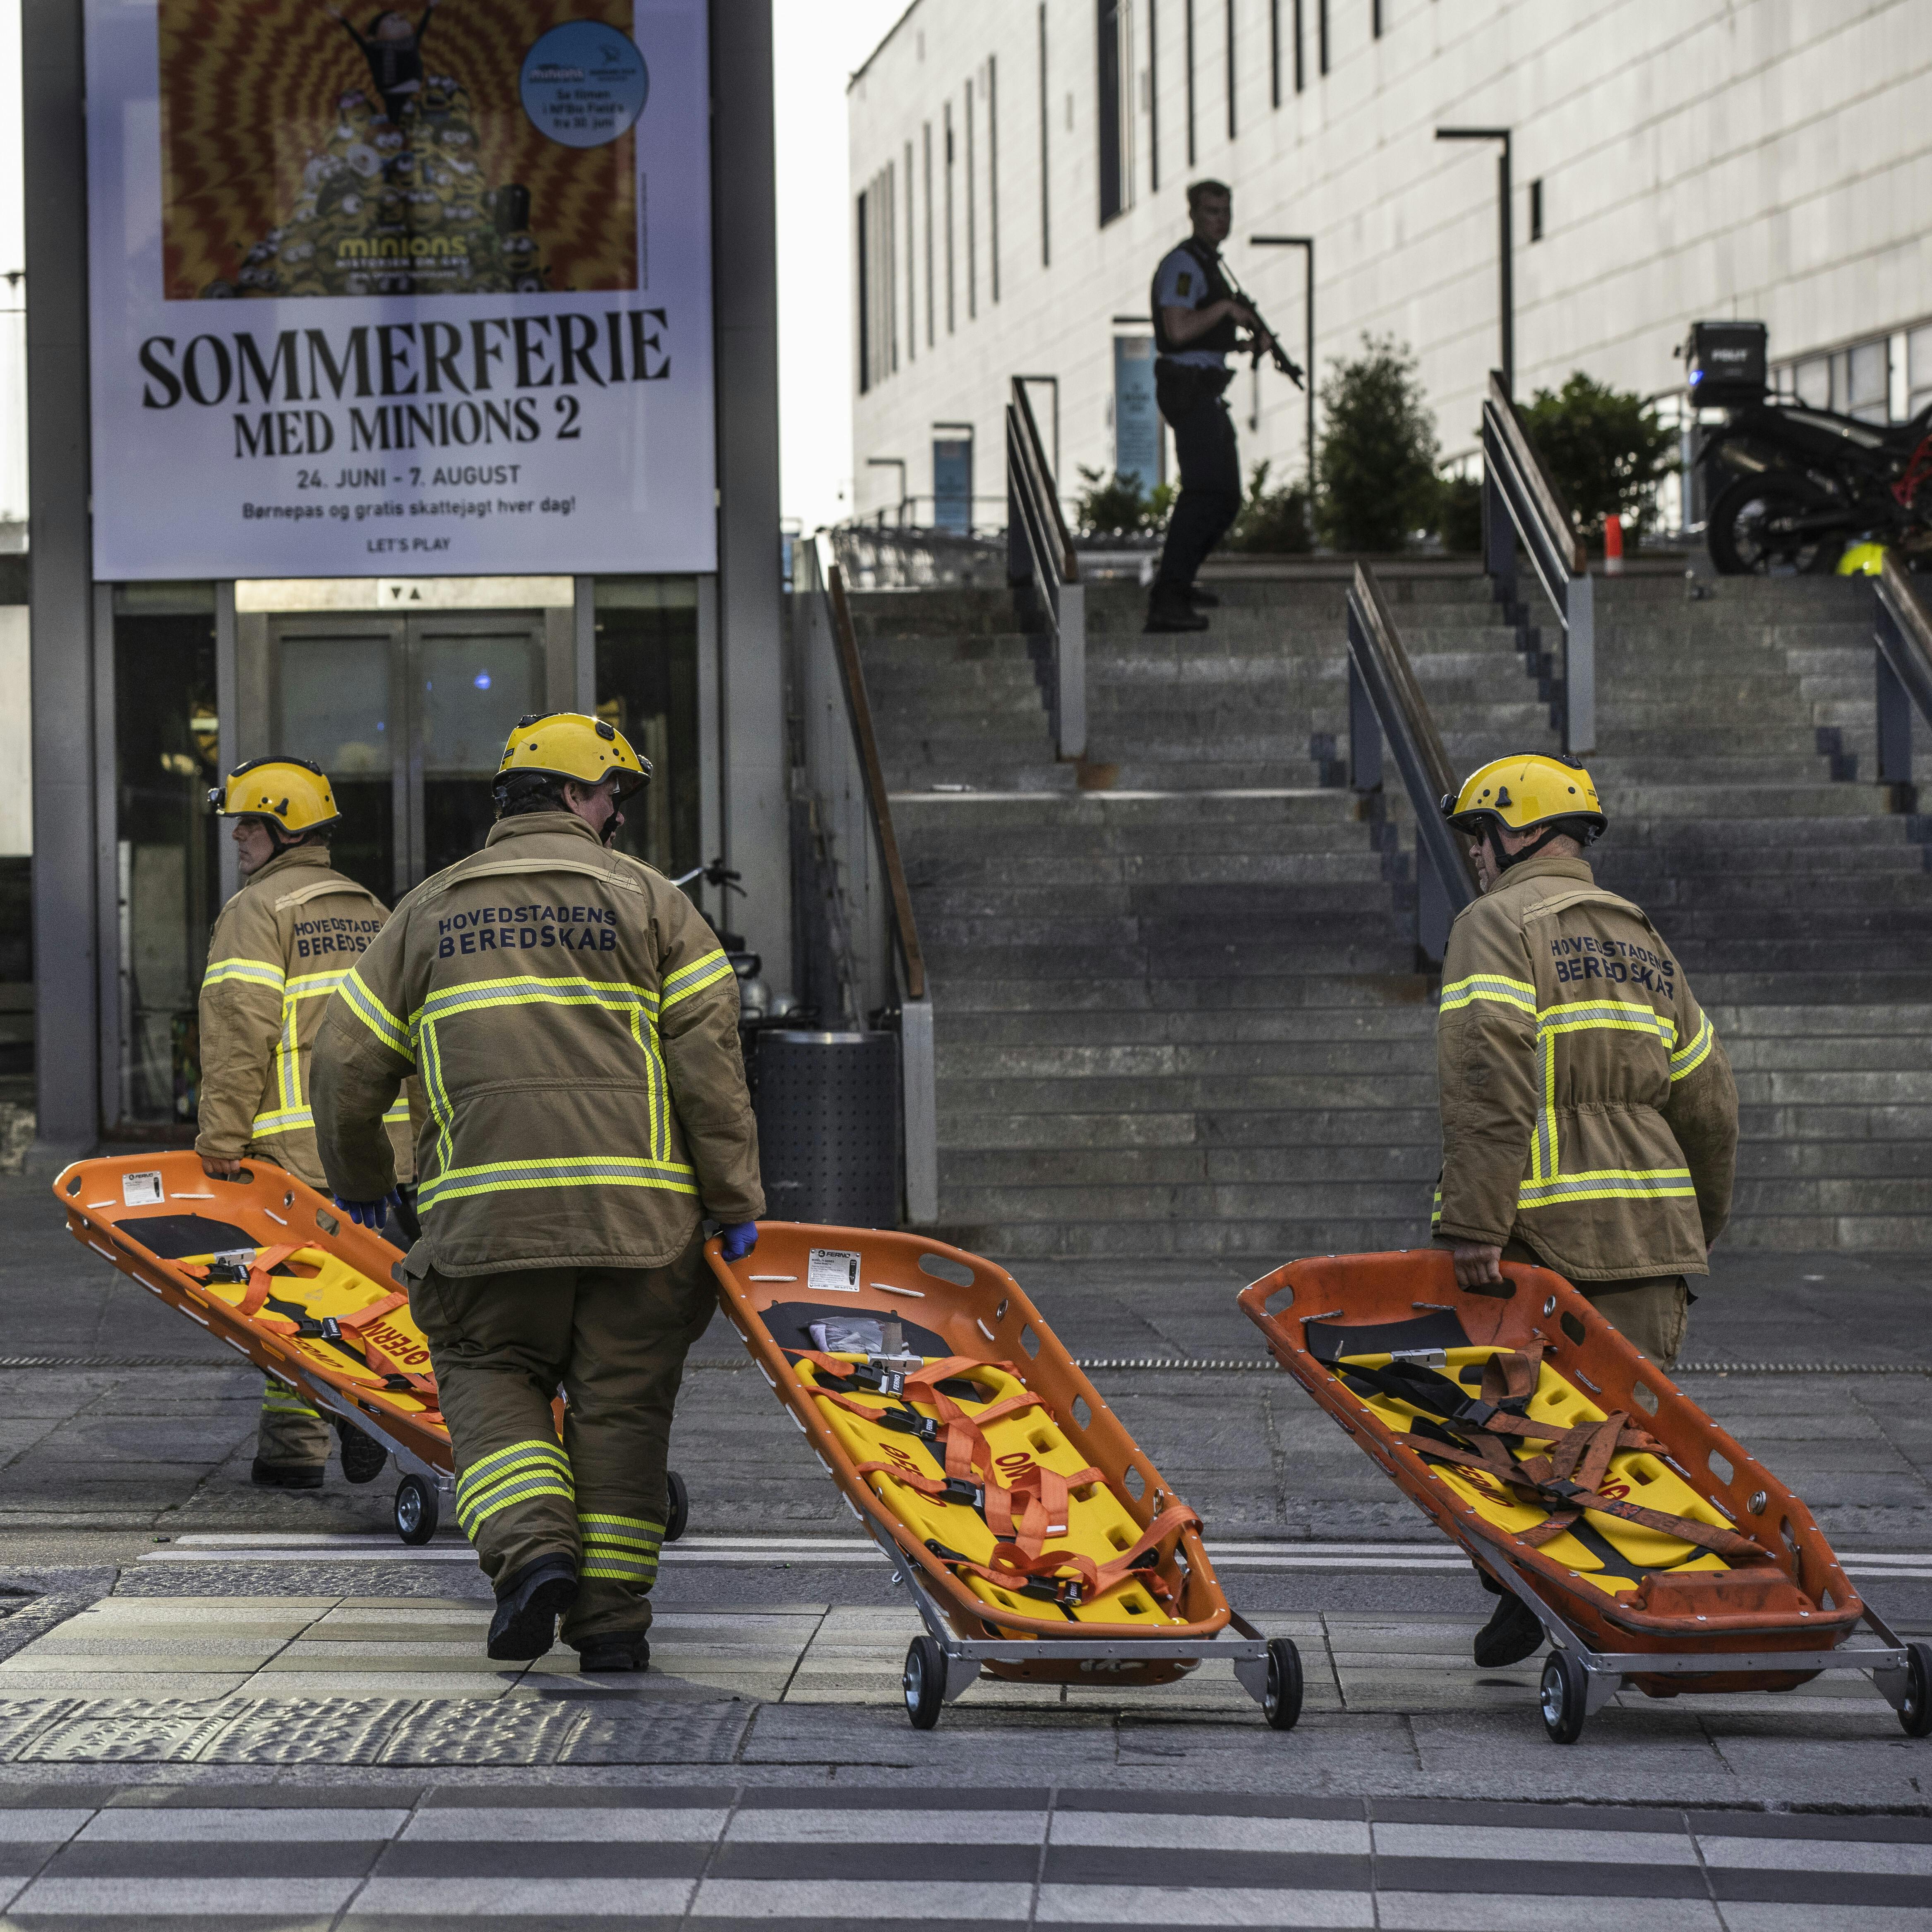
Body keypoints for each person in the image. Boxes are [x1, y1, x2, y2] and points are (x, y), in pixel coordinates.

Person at [310, 713, 764, 1673]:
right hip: (642, 1230)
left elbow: (343, 1064)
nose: (618, 816)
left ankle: (532, 1555)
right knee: (623, 1414)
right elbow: (712, 1070)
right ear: (571, 793)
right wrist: (734, 1202)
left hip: (486, 1230)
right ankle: (612, 1627)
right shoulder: (655, 906)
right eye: (611, 795)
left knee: (487, 1378)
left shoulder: (425, 913)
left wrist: (364, 1182)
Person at [1431, 753, 1739, 1667]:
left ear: (1519, 830)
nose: (1474, 855)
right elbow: (1709, 1101)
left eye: (1479, 835)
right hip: (1651, 1240)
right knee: (1623, 1443)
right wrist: (1694, 1223)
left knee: (1500, 1432)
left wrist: (1476, 1221)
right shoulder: (1640, 937)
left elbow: (1487, 1074)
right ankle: (1622, 1606)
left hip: (1537, 1241)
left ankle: (1528, 1587)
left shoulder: (1494, 925)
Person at [198, 757, 415, 1490]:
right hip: (375, 1152)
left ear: (286, 829)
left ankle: (330, 1417)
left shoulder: (256, 911)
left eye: (249, 823)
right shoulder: (373, 910)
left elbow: (239, 1033)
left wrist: (221, 1137)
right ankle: (293, 1448)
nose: (237, 836)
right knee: (345, 1293)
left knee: (282, 1297)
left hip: (293, 1151)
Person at [1146, 179, 1280, 634]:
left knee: (1225, 498)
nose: (1220, 220)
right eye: (1211, 211)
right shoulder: (1184, 265)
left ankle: (1179, 582)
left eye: (1225, 211)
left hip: (1205, 388)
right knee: (1204, 491)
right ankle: (1168, 597)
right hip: (1188, 389)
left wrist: (1244, 344)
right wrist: (1225, 310)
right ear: (1192, 215)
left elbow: (1203, 340)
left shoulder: (1210, 264)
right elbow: (1178, 330)